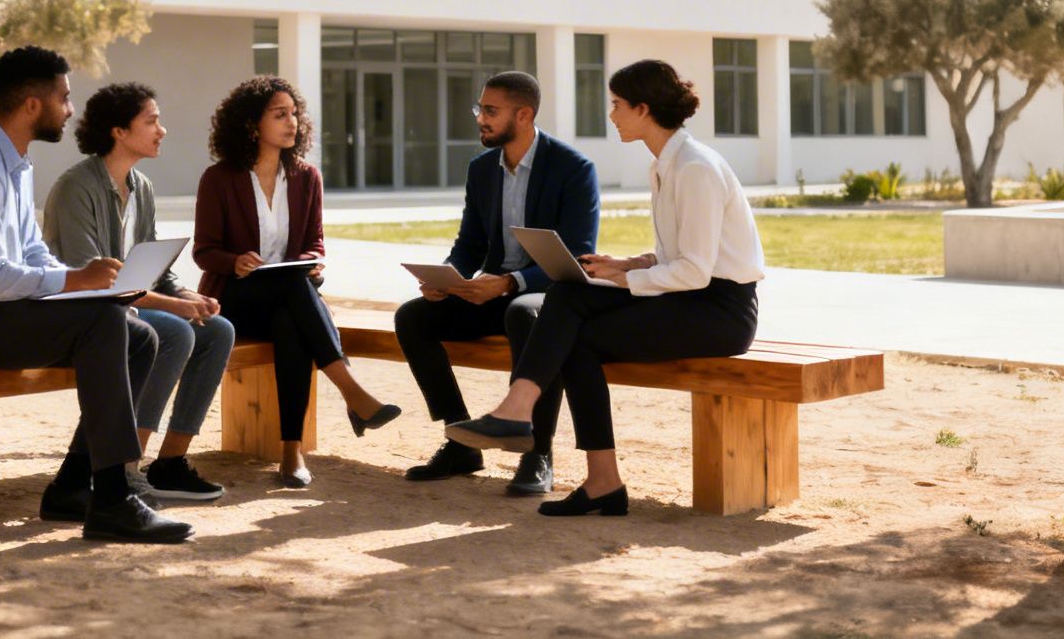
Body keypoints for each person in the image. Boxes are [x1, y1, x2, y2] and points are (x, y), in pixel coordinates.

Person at [0, 46, 194, 544]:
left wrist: (94, 283)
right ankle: (114, 498)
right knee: (104, 322)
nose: (71, 110)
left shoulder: (16, 162)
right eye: (65, 97)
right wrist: (78, 283)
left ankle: (73, 488)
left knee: (136, 333)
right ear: (33, 105)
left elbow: (33, 254)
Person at [446, 58, 764, 518]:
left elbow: (695, 271)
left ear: (643, 108)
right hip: (690, 296)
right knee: (570, 297)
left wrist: (627, 278)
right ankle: (590, 471)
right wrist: (624, 265)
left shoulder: (694, 168)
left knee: (574, 320)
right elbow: (679, 254)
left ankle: (533, 424)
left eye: (617, 105)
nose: (611, 115)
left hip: (720, 312)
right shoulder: (668, 164)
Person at [394, 71, 599, 495]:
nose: (480, 119)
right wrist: (448, 279)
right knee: (414, 317)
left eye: (490, 111)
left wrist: (509, 283)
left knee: (526, 313)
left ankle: (537, 453)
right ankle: (459, 442)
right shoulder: (482, 169)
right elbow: (469, 242)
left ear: (523, 115)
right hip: (489, 291)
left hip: (544, 295)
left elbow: (577, 257)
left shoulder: (574, 169)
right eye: (480, 109)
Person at [192, 75, 401, 487]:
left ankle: (291, 450)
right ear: (252, 124)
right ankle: (351, 392)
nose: (293, 122)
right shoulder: (219, 178)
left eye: (295, 113)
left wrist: (310, 263)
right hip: (236, 299)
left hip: (290, 299)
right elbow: (204, 250)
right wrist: (235, 261)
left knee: (292, 318)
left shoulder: (306, 177)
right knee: (293, 292)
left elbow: (314, 244)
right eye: (280, 114)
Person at [44, 82, 235, 503]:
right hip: (87, 315)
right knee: (175, 331)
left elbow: (155, 271)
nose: (162, 130)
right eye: (151, 121)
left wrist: (189, 297)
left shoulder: (141, 187)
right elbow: (96, 282)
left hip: (129, 308)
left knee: (217, 329)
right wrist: (174, 307)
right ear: (119, 132)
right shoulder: (78, 188)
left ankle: (169, 463)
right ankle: (127, 466)